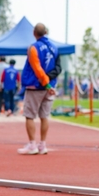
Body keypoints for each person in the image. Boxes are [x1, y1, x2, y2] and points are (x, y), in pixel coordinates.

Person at [17, 23, 61, 155]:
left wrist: (46, 83)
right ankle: (42, 145)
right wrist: (49, 84)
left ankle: (32, 145)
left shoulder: (33, 48)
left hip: (36, 86)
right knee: (44, 116)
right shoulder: (55, 47)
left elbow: (37, 68)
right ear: (46, 32)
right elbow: (58, 68)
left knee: (29, 116)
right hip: (50, 87)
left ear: (34, 33)